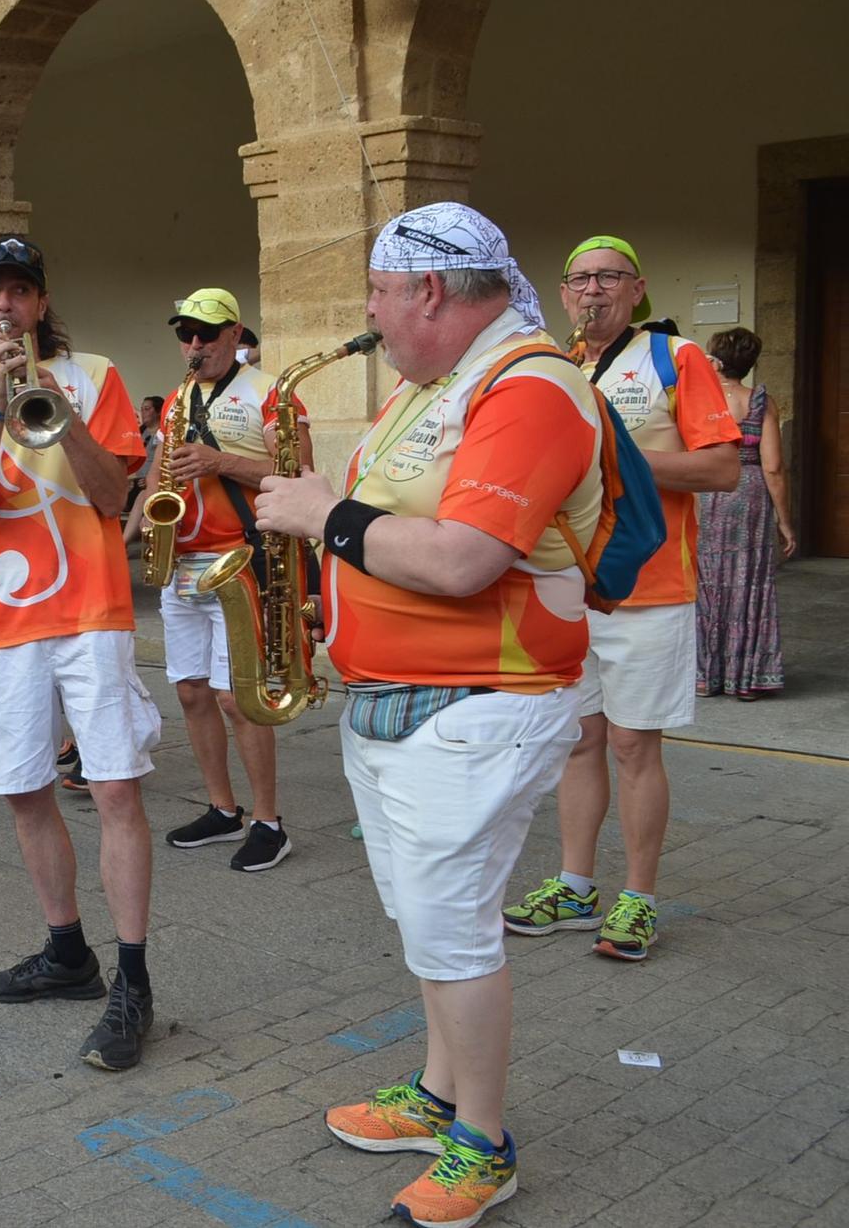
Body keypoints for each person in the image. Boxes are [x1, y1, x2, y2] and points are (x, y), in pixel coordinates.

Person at [257, 202, 603, 1228]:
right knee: (423, 920)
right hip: (399, 702)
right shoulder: (431, 388)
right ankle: (437, 1090)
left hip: (481, 702)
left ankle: (482, 1144)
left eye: (374, 291)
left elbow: (461, 559)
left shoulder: (529, 386)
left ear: (429, 293)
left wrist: (321, 515)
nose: (365, 313)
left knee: (452, 933)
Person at [0, 235, 162, 1069]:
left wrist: (53, 409)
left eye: (20, 292)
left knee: (113, 791)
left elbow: (110, 494)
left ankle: (133, 979)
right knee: (24, 788)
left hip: (92, 610)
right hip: (7, 618)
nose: (5, 306)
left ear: (40, 303)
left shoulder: (93, 376)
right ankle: (68, 952)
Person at [502, 236, 739, 962]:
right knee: (579, 742)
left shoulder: (676, 358)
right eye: (578, 280)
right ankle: (576, 886)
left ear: (637, 290)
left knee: (636, 746)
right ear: (565, 295)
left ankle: (638, 896)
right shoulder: (558, 363)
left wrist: (618, 457)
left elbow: (723, 467)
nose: (592, 291)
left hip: (651, 587)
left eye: (607, 278)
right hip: (569, 588)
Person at [132, 288, 307, 873]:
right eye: (186, 333)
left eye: (207, 333)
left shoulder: (272, 392)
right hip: (182, 558)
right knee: (190, 690)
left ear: (236, 334)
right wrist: (130, 535)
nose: (195, 344)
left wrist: (218, 461)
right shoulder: (181, 394)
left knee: (240, 699)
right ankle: (221, 807)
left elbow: (300, 475)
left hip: (241, 559)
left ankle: (268, 821)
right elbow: (160, 468)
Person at [695, 327, 794, 699]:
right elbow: (773, 467)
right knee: (748, 583)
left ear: (716, 360)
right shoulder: (761, 402)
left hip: (707, 491)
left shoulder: (698, 399)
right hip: (750, 493)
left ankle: (707, 676)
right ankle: (747, 679)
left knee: (707, 581)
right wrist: (785, 523)